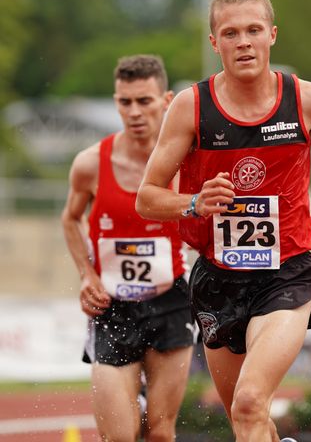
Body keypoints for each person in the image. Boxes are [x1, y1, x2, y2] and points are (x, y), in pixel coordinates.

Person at [136, 0, 311, 442]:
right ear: (214, 42)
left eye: (253, 30)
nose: (243, 42)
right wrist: (194, 202)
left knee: (250, 401)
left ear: (273, 34)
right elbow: (147, 197)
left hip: (286, 274)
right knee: (247, 420)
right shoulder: (192, 108)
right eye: (230, 33)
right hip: (217, 277)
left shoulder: (310, 99)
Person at [62, 55, 194, 442]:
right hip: (112, 308)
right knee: (118, 437)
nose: (134, 112)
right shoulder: (90, 164)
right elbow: (70, 219)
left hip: (172, 302)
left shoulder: (188, 163)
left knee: (159, 433)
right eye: (125, 102)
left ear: (166, 101)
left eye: (144, 101)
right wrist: (86, 275)